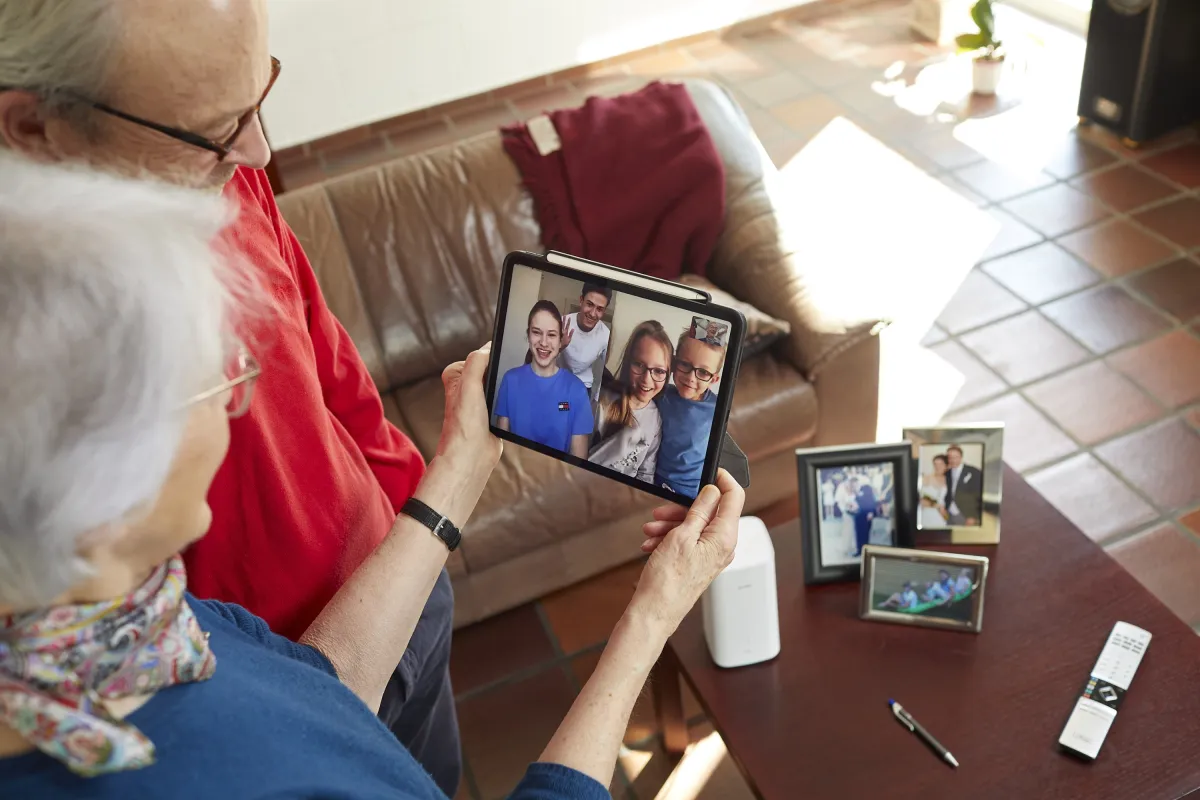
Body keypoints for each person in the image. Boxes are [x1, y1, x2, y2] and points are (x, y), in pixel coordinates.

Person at [0, 156, 746, 799]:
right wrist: (653, 614)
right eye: (213, 374)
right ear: (100, 473)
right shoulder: (209, 771)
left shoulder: (172, 622)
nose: (239, 399)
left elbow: (320, 687)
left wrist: (460, 466)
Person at [0, 1, 457, 791]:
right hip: (284, 667)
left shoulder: (226, 172)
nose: (257, 152)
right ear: (35, 126)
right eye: (214, 129)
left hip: (401, 575)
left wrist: (409, 514)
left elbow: (318, 345)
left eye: (257, 98)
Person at [495, 300, 593, 457]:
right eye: (536, 332)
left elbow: (578, 462)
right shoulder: (510, 381)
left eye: (552, 335)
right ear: (528, 335)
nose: (544, 342)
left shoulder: (577, 390)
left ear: (560, 340)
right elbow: (500, 449)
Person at [589, 321, 673, 481]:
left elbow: (646, 474)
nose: (646, 379)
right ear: (628, 363)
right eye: (639, 365)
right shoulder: (601, 402)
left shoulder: (655, 419)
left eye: (659, 371)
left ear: (668, 374)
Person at [654, 330, 725, 497]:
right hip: (652, 477)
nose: (691, 377)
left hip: (692, 489)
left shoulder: (718, 408)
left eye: (703, 372)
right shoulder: (659, 393)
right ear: (674, 363)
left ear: (714, 379)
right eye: (685, 364)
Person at [559, 283, 612, 401]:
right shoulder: (563, 323)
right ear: (581, 300)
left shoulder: (605, 335)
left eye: (599, 309)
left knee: (572, 412)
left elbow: (604, 370)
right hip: (560, 382)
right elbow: (543, 358)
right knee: (561, 408)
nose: (592, 314)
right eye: (589, 304)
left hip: (583, 387)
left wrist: (597, 398)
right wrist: (560, 347)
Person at [945, 445, 984, 526]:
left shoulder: (974, 472)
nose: (953, 460)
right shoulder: (947, 473)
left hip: (966, 515)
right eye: (950, 457)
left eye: (956, 457)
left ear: (961, 457)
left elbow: (978, 495)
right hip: (949, 514)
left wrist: (973, 516)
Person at [919, 454, 950, 529]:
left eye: (940, 464)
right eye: (935, 464)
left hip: (942, 517)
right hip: (927, 514)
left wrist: (945, 514)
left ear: (946, 466)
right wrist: (936, 505)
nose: (937, 467)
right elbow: (920, 500)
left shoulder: (949, 481)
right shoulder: (926, 478)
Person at [852, 478, 878, 557]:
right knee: (865, 535)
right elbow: (873, 508)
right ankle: (863, 551)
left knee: (860, 535)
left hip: (861, 518)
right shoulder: (871, 497)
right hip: (864, 518)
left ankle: (860, 550)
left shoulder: (863, 497)